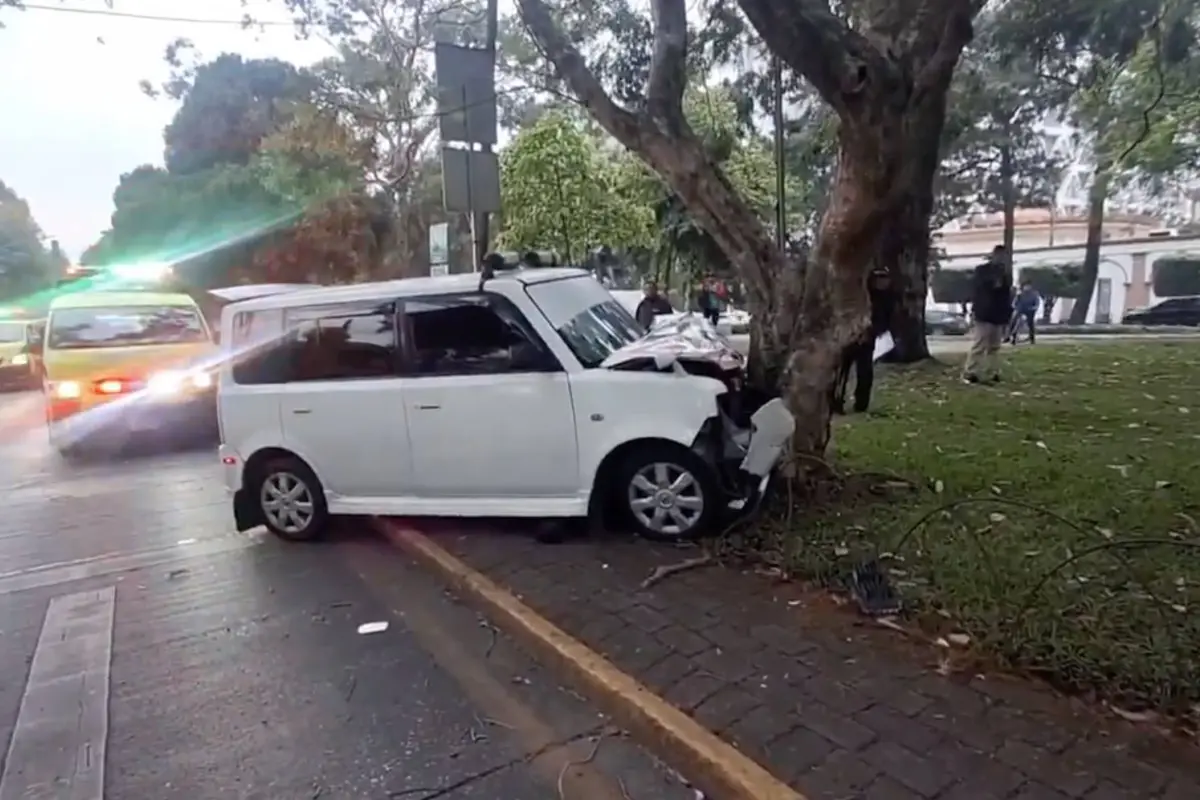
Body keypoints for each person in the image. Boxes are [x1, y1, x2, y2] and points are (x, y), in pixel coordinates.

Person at [832, 266, 894, 414]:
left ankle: (861, 403)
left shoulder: (887, 299)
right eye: (879, 278)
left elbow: (886, 320)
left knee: (865, 372)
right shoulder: (861, 294)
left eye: (884, 278)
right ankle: (837, 401)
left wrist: (872, 332)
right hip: (849, 338)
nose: (882, 282)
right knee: (841, 372)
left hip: (867, 340)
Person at [963, 245, 1013, 384]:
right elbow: (979, 290)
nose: (1002, 259)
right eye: (1000, 255)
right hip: (984, 313)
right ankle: (970, 371)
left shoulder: (1005, 274)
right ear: (994, 255)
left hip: (997, 315)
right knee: (979, 344)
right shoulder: (982, 271)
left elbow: (1006, 296)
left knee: (994, 347)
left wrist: (1006, 315)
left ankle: (993, 372)